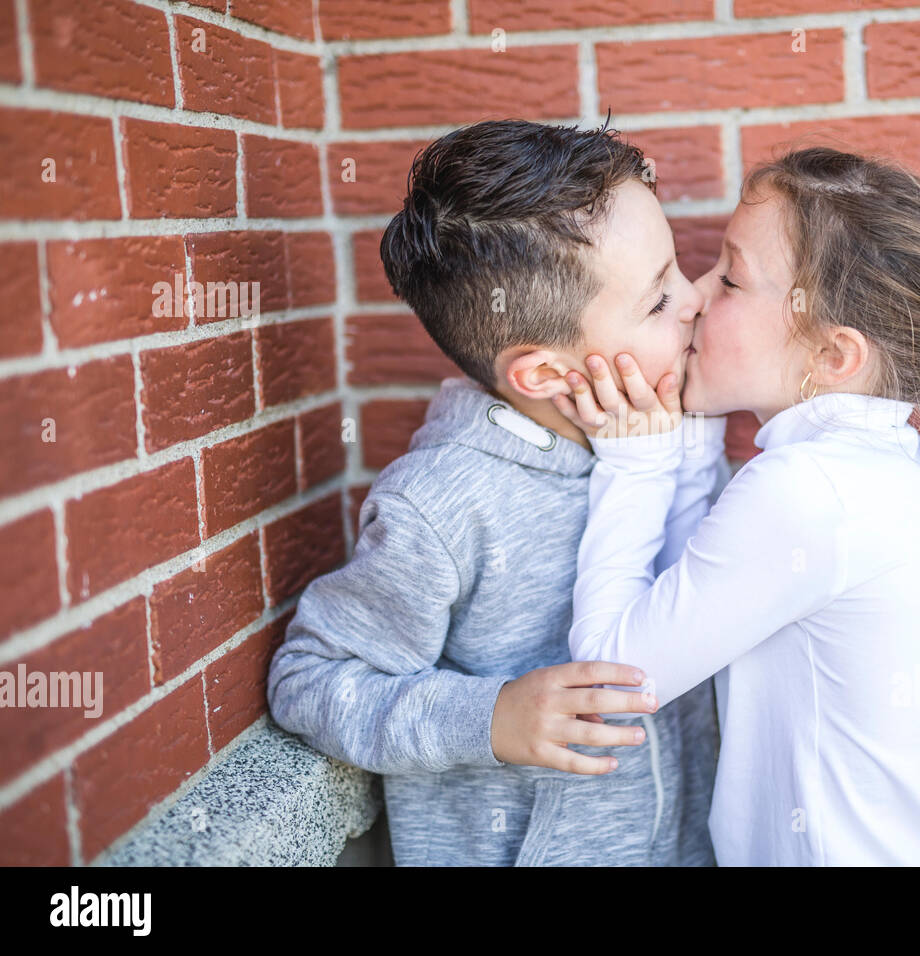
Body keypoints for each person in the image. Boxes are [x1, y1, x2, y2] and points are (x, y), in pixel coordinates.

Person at [552, 147, 920, 866]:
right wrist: (686, 435)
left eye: (731, 277)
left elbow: (608, 677)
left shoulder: (810, 492)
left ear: (835, 358)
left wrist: (634, 457)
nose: (695, 294)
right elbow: (694, 603)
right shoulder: (877, 464)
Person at [267, 117, 727, 866]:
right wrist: (491, 718)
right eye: (656, 301)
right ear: (544, 375)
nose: (695, 300)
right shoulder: (443, 501)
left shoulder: (661, 435)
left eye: (676, 270)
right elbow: (308, 679)